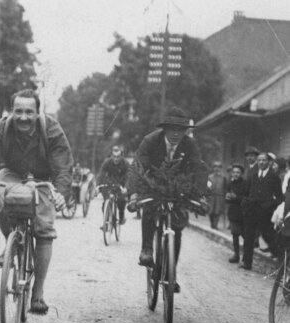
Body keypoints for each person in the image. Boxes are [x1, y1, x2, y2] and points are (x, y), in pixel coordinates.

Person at [0, 89, 71, 315]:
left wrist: (61, 192)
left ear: (38, 113)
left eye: (29, 112)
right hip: (13, 173)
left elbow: (63, 165)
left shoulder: (52, 129)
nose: (23, 117)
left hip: (42, 177)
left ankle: (37, 294)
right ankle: (12, 242)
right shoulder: (1, 128)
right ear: (11, 112)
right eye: (18, 111)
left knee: (44, 229)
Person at [127, 107, 208, 293]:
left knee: (177, 228)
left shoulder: (190, 144)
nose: (176, 134)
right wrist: (134, 194)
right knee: (148, 208)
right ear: (165, 129)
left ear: (186, 131)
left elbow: (199, 168)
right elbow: (137, 166)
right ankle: (147, 249)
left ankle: (170, 273)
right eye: (172, 129)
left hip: (178, 188)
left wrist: (201, 196)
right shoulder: (150, 141)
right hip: (152, 183)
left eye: (181, 130)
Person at [240, 152, 283, 269]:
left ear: (269, 162)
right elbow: (246, 191)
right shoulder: (253, 175)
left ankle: (282, 263)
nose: (261, 162)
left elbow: (279, 197)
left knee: (269, 236)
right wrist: (246, 202)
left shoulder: (274, 176)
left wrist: (269, 205)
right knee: (248, 237)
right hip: (251, 210)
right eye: (259, 160)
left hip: (265, 212)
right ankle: (247, 263)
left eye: (264, 160)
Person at [97, 146, 129, 225]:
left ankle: (121, 216)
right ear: (111, 156)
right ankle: (107, 221)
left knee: (121, 201)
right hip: (110, 184)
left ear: (121, 156)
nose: (116, 159)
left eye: (118, 157)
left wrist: (126, 187)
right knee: (105, 203)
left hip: (121, 185)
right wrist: (98, 186)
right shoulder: (107, 162)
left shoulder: (125, 163)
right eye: (114, 156)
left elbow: (129, 176)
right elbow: (101, 174)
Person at [225, 164, 248, 263]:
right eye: (234, 172)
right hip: (233, 212)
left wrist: (236, 197)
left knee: (245, 235)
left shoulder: (245, 183)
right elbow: (227, 197)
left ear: (242, 173)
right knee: (235, 234)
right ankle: (236, 255)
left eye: (238, 172)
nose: (235, 174)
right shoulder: (230, 183)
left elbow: (246, 198)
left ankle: (246, 256)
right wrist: (228, 197)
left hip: (243, 212)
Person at [208, 161, 227, 230]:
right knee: (211, 211)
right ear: (213, 168)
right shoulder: (210, 177)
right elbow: (207, 186)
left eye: (218, 167)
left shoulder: (223, 177)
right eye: (215, 167)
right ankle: (212, 223)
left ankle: (215, 225)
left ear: (220, 168)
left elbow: (225, 188)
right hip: (211, 196)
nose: (217, 168)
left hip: (220, 196)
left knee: (217, 211)